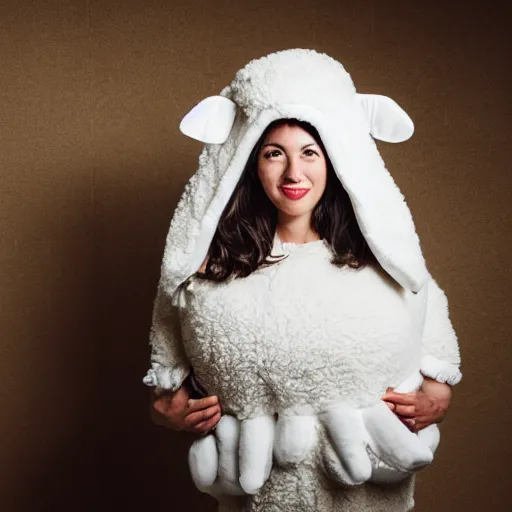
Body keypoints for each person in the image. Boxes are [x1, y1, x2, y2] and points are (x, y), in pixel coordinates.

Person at [144, 49, 461, 511]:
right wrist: (170, 414)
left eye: (309, 153)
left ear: (334, 160)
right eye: (275, 154)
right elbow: (163, 379)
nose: (294, 172)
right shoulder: (207, 268)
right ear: (251, 163)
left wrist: (437, 399)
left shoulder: (384, 261)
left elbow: (435, 347)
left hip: (363, 490)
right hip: (258, 491)